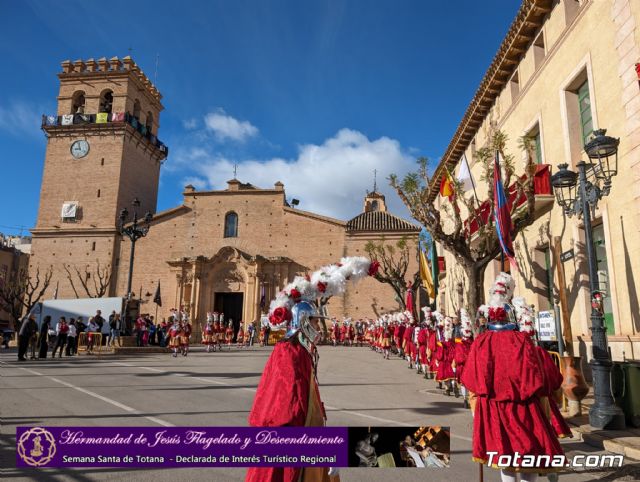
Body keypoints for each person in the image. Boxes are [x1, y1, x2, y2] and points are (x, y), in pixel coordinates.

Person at [461, 273, 564, 481]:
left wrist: (475, 407)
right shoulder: (523, 341)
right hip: (525, 408)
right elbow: (540, 377)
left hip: (494, 410)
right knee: (527, 457)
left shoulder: (480, 342)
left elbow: (471, 380)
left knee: (505, 458)